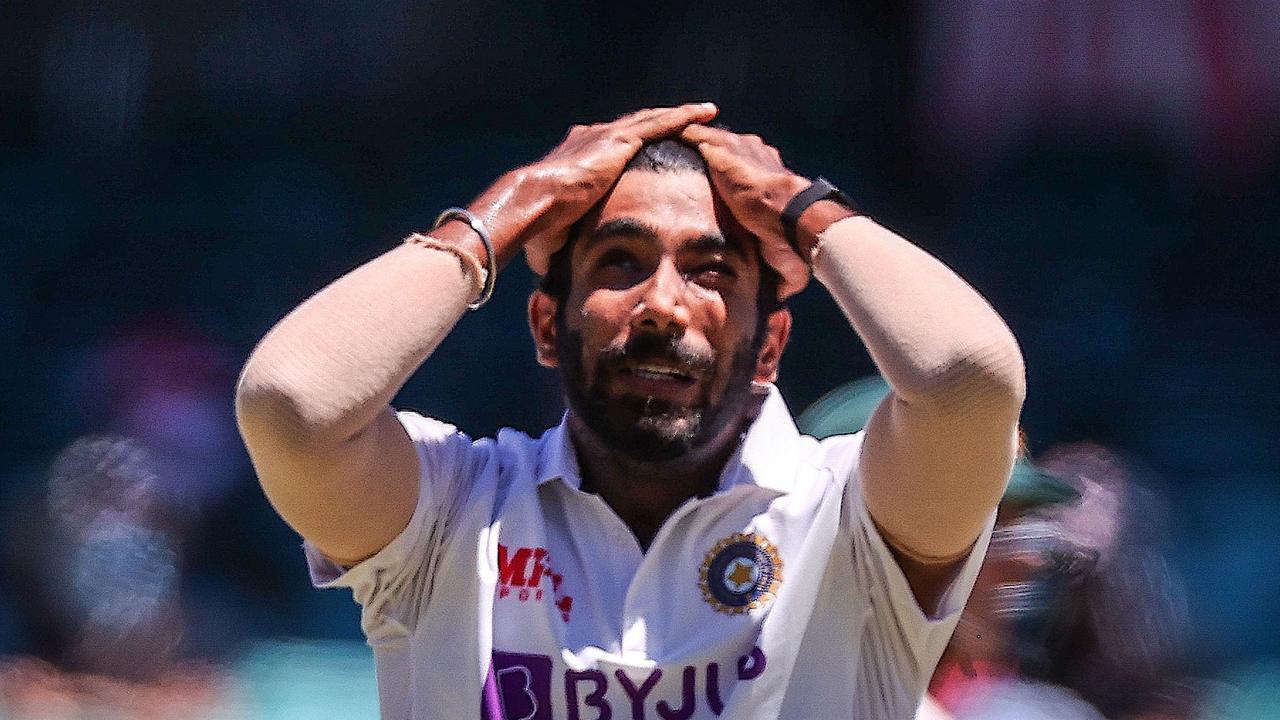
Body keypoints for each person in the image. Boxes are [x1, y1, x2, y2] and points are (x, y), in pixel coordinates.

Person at [234, 103, 1026, 719]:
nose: (660, 305)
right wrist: (498, 219)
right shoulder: (451, 514)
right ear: (549, 326)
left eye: (711, 271)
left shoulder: (852, 522)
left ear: (771, 346)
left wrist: (802, 209)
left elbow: (971, 383)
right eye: (620, 262)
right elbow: (290, 407)